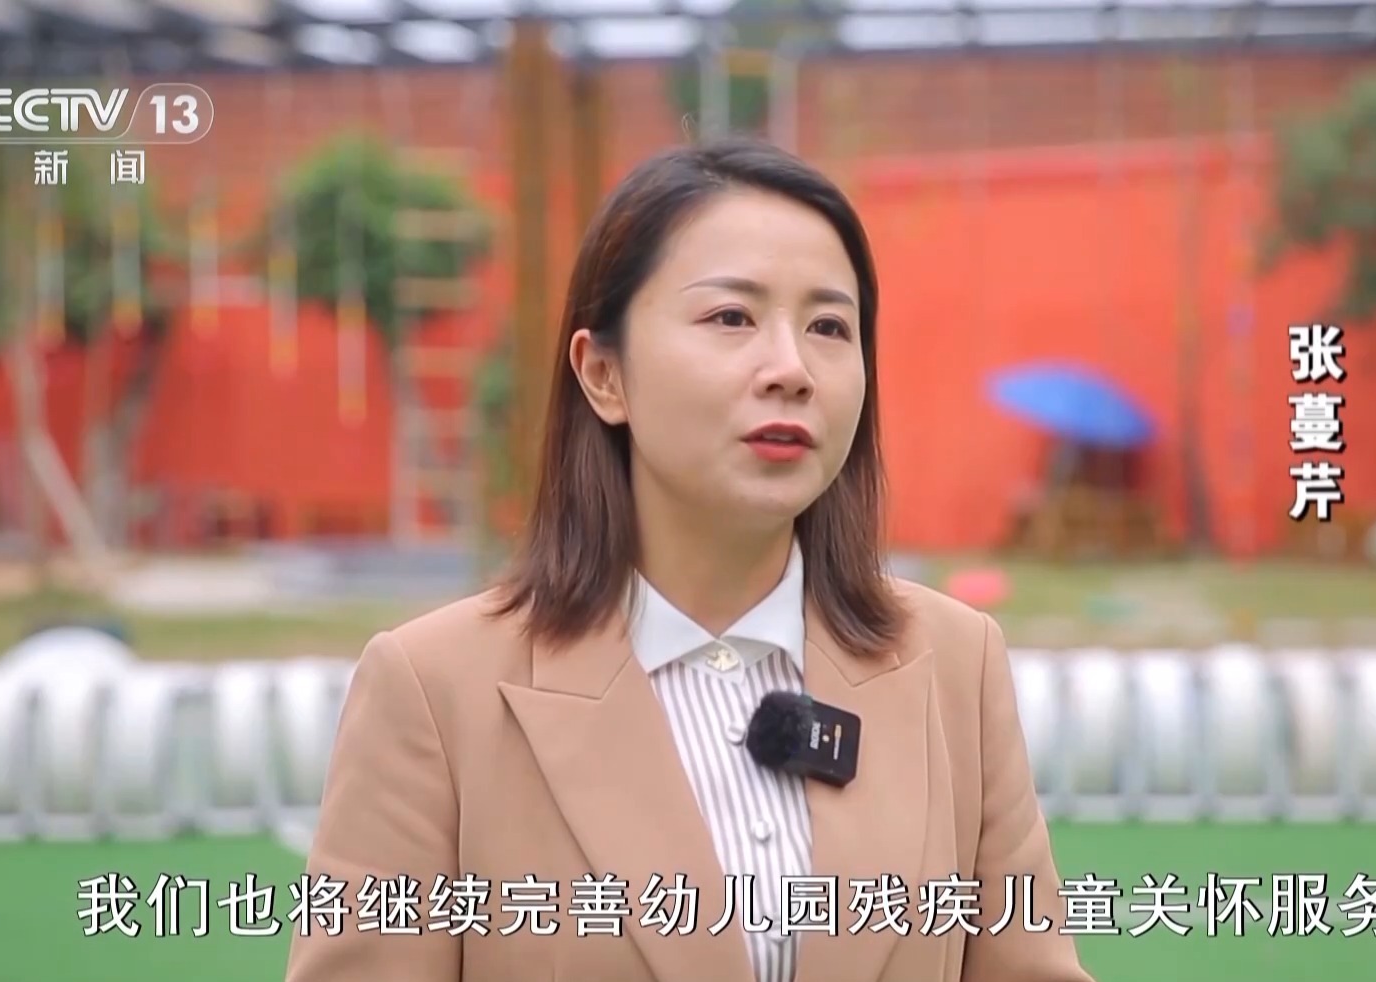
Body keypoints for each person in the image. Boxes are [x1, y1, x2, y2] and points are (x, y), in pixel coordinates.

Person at [286, 136, 1094, 982]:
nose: (791, 370)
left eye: (829, 326)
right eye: (731, 318)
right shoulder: (434, 691)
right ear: (604, 374)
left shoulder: (954, 665)